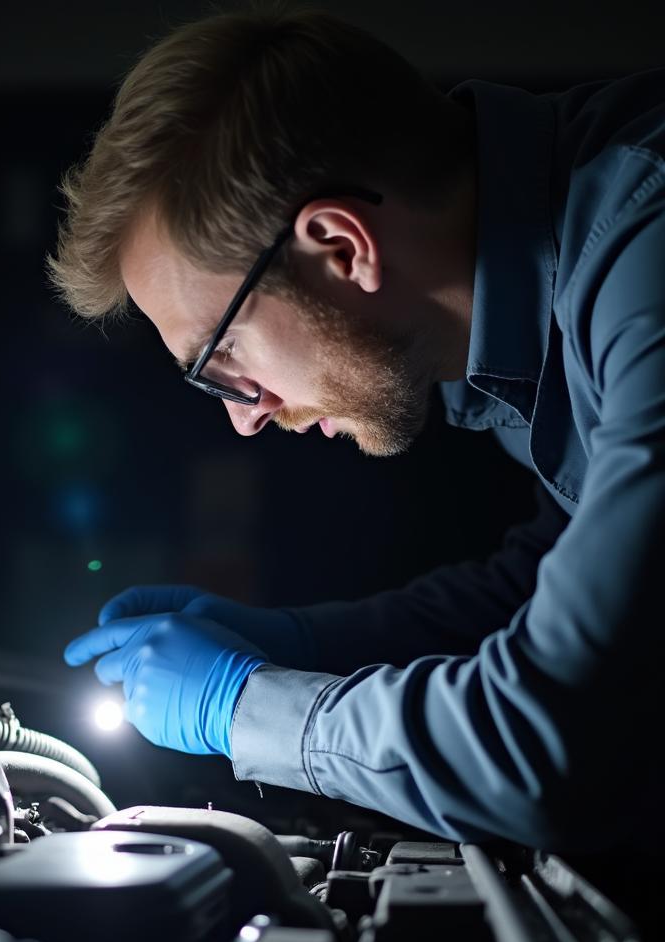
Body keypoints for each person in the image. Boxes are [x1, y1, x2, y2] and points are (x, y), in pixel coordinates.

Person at [48, 6, 665, 850]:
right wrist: (305, 643)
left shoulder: (646, 261)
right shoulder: (535, 296)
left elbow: (553, 741)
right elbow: (552, 585)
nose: (244, 416)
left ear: (341, 245)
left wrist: (245, 706)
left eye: (223, 354)